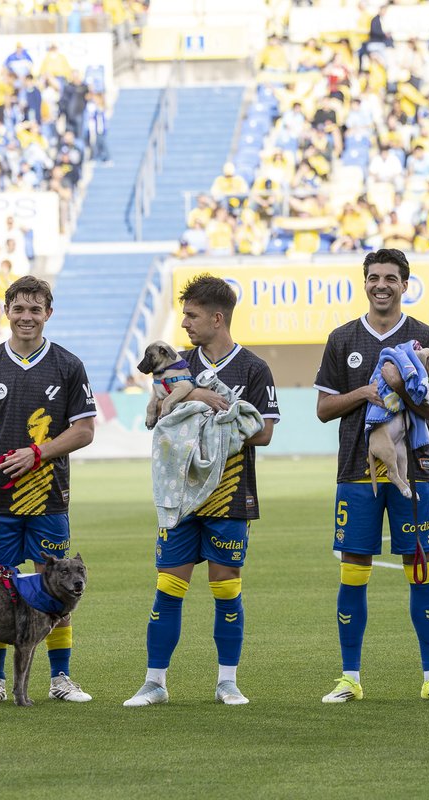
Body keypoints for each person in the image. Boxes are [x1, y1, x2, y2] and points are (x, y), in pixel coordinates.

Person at [124, 275, 280, 707]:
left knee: (226, 588)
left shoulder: (253, 369)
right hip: (180, 499)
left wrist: (217, 409)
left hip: (229, 495)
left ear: (217, 317)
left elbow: (264, 432)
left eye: (192, 316)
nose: (186, 324)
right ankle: (154, 682)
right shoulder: (176, 365)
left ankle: (227, 681)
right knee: (168, 587)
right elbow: (158, 419)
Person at [313, 248, 429, 703]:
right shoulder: (343, 339)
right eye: (374, 277)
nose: (381, 285)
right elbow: (322, 410)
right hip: (356, 470)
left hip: (414, 471)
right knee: (354, 572)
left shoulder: (424, 336)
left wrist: (401, 387)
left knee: (420, 569)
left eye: (390, 278)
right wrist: (365, 391)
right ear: (365, 282)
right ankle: (349, 678)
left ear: (404, 284)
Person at [0, 276, 97, 706]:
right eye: (19, 309)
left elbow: (84, 431)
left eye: (35, 309)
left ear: (48, 314)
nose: (26, 317)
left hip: (49, 499)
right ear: (7, 312)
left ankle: (60, 678)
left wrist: (37, 453)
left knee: (55, 587)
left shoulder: (68, 365)